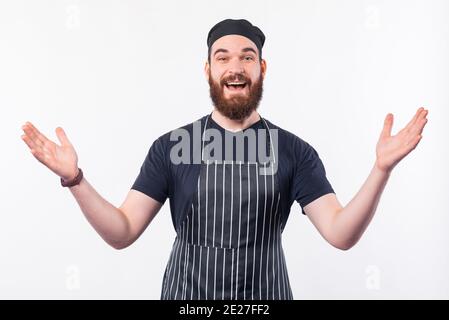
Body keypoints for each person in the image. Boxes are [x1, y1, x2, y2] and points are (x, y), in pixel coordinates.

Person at [21, 19, 428, 300]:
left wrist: (381, 170)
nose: (236, 66)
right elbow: (122, 231)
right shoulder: (171, 146)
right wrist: (75, 179)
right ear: (208, 69)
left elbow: (340, 233)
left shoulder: (294, 151)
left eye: (247, 57)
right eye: (223, 57)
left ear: (262, 68)